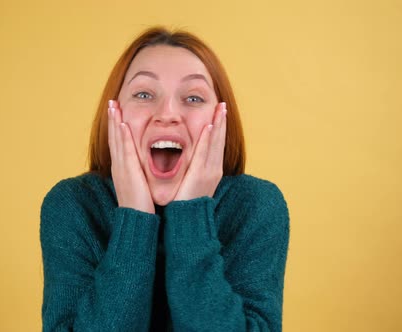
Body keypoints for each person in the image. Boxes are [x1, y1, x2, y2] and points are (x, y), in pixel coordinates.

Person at [40, 27, 290, 331]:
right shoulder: (73, 205)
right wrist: (134, 217)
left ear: (221, 119)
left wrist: (191, 215)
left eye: (194, 97)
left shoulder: (255, 205)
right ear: (114, 113)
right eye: (144, 94)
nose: (168, 113)